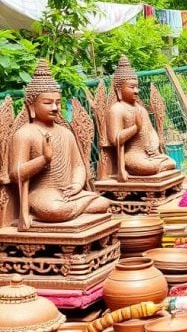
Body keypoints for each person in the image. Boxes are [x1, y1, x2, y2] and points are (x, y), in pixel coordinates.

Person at [9, 59, 111, 229]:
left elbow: (78, 166)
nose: (55, 108)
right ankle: (49, 214)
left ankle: (61, 214)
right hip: (42, 194)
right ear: (31, 105)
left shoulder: (65, 133)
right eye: (48, 103)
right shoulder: (25, 134)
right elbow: (15, 174)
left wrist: (77, 185)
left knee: (103, 203)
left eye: (58, 102)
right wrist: (44, 159)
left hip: (69, 194)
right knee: (55, 209)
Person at [104, 55, 177, 179]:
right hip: (133, 155)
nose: (136, 91)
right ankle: (154, 168)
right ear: (119, 89)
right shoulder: (117, 109)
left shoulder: (140, 108)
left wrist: (154, 145)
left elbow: (151, 131)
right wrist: (135, 128)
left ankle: (156, 166)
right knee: (148, 167)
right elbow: (115, 138)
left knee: (172, 162)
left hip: (150, 154)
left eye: (137, 87)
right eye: (131, 87)